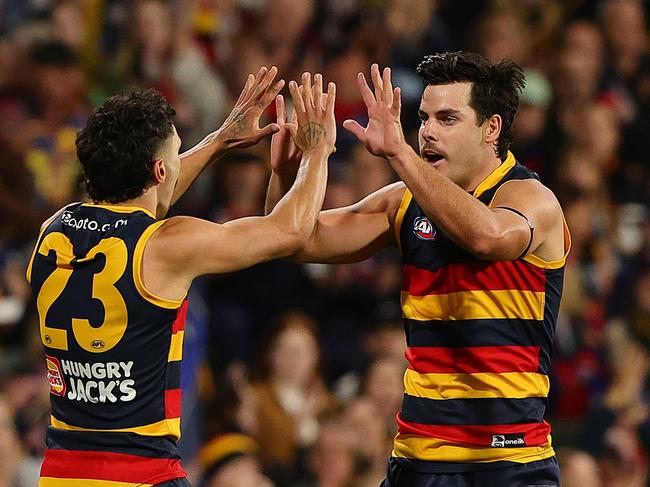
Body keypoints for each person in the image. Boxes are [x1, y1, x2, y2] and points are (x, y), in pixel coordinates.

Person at [266, 52, 570, 486]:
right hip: (417, 462)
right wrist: (294, 170)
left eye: (447, 119)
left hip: (508, 464)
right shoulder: (404, 201)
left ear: (492, 128)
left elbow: (487, 237)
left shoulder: (531, 198)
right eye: (424, 118)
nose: (426, 132)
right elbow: (296, 240)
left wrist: (399, 154)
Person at [27, 67, 337, 486]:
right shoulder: (168, 245)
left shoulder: (53, 231)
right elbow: (290, 230)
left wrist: (220, 140)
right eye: (177, 153)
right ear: (158, 171)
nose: (179, 162)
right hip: (142, 474)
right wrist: (317, 150)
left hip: (62, 472)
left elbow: (142, 200)